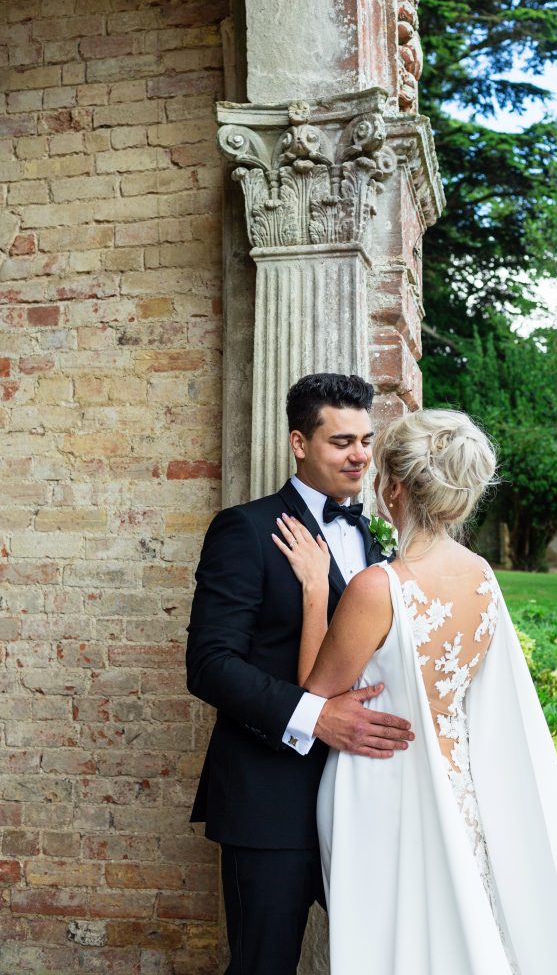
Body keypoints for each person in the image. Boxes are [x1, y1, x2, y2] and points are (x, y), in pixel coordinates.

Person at [273, 408, 557, 975]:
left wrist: (316, 589)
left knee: (392, 941)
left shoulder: (378, 587)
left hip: (382, 785)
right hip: (456, 784)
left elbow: (313, 694)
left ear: (394, 487)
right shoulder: (481, 575)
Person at [185, 373, 414, 975]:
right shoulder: (245, 529)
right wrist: (317, 717)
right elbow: (209, 665)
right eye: (341, 442)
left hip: (362, 793)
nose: (360, 455)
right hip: (268, 799)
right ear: (299, 442)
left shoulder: (375, 536)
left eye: (366, 440)